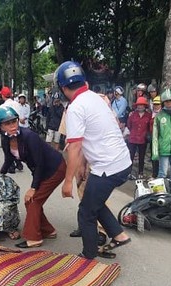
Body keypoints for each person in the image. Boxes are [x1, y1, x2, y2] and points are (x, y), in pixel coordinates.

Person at [56, 60, 132, 260]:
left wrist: (67, 181)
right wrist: (80, 167)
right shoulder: (97, 98)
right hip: (123, 163)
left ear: (63, 88)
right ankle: (119, 234)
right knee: (94, 202)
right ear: (84, 82)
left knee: (86, 212)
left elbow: (75, 147)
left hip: (107, 167)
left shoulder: (75, 108)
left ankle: (88, 255)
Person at [0, 107, 66, 248]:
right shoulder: (6, 141)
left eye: (14, 121)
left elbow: (39, 163)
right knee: (32, 201)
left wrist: (33, 188)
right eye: (7, 124)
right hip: (40, 170)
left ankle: (34, 238)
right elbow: (8, 160)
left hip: (54, 168)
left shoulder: (29, 136)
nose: (13, 126)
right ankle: (48, 231)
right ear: (0, 127)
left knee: (33, 200)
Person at [126, 96, 152, 179]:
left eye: (142, 105)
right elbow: (129, 125)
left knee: (142, 157)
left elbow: (149, 127)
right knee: (131, 156)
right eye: (139, 105)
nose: (140, 106)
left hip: (142, 139)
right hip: (133, 138)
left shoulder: (148, 115)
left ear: (145, 106)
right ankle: (128, 173)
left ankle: (140, 172)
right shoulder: (132, 115)